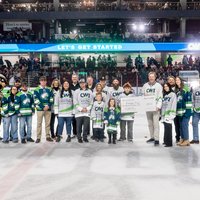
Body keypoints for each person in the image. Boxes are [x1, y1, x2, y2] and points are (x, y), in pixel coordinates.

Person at [141, 72, 163, 146]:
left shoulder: (158, 86)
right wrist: (144, 95)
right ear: (148, 77)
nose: (151, 78)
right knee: (150, 123)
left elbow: (160, 96)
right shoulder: (145, 85)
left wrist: (158, 106)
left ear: (155, 77)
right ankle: (152, 137)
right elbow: (142, 94)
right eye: (150, 77)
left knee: (156, 123)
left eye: (152, 77)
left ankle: (156, 139)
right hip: (148, 107)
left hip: (155, 107)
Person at [34, 76, 54, 143]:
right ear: (40, 82)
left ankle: (48, 136)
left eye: (44, 80)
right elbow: (36, 99)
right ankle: (38, 137)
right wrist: (43, 106)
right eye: (42, 80)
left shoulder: (49, 89)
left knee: (47, 123)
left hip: (48, 109)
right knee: (39, 123)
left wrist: (48, 106)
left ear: (46, 81)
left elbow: (51, 98)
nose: (43, 81)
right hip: (40, 109)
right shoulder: (36, 89)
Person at [73, 79, 93, 143]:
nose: (82, 84)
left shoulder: (90, 91)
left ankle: (85, 137)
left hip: (87, 113)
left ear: (85, 83)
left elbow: (91, 101)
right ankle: (79, 138)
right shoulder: (76, 91)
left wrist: (87, 108)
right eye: (80, 83)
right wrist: (81, 109)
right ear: (79, 84)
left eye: (83, 83)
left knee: (86, 126)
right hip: (79, 113)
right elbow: (75, 101)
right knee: (78, 127)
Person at [175, 76, 193, 146]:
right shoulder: (177, 90)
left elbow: (188, 101)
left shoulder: (185, 89)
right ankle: (182, 139)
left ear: (181, 81)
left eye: (178, 80)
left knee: (184, 125)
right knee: (181, 126)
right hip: (180, 112)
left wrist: (187, 112)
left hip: (186, 112)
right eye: (176, 80)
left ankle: (186, 140)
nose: (177, 81)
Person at [161, 83, 177, 147]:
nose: (165, 88)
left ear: (169, 87)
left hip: (169, 114)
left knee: (168, 128)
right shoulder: (164, 96)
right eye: (164, 87)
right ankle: (165, 141)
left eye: (167, 86)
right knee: (165, 128)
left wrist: (172, 114)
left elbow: (174, 104)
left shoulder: (173, 95)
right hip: (164, 115)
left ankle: (169, 143)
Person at [70, 74, 80, 138]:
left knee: (79, 120)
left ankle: (79, 133)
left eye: (76, 77)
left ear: (77, 78)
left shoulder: (80, 86)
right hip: (71, 106)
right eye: (73, 77)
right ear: (71, 78)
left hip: (78, 105)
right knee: (73, 120)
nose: (74, 78)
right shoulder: (69, 86)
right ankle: (74, 133)